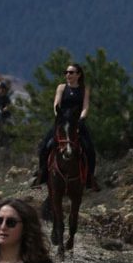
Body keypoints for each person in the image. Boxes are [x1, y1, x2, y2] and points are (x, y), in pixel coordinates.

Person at [31, 63, 99, 191]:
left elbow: (85, 107)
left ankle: (90, 178)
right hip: (62, 122)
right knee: (45, 146)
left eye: (71, 72)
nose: (68, 75)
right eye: (66, 72)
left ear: (78, 75)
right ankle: (41, 175)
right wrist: (59, 117)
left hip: (77, 123)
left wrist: (81, 119)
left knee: (89, 150)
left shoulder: (84, 89)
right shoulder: (61, 88)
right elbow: (56, 104)